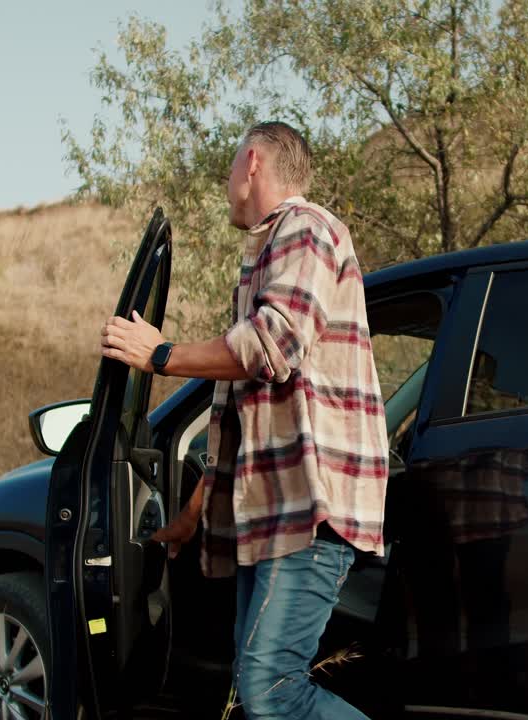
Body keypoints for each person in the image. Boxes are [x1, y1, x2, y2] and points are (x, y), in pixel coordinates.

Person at [100, 121, 388, 720]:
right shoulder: (266, 256)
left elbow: (271, 347)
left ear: (252, 161)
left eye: (232, 165)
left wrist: (161, 354)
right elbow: (240, 419)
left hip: (309, 509)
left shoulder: (306, 230)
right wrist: (190, 515)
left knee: (270, 690)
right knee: (257, 690)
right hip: (274, 512)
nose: (228, 179)